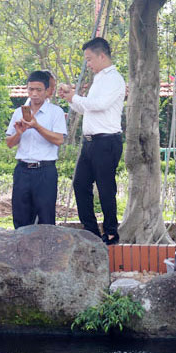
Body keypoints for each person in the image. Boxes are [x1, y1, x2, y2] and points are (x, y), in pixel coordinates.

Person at [59, 37, 125, 244]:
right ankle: (91, 231)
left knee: (106, 188)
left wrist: (75, 97)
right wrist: (71, 99)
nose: (88, 64)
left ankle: (111, 231)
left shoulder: (114, 79)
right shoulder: (98, 79)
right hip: (90, 142)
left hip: (106, 141)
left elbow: (100, 105)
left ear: (102, 55)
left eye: (89, 59)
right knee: (80, 184)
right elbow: (87, 107)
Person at [6, 70, 66, 227]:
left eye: (38, 90)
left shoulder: (55, 112)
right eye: (31, 89)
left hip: (45, 171)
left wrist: (36, 126)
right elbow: (9, 143)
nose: (34, 94)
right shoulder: (18, 112)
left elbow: (59, 140)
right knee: (20, 218)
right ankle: (21, 250)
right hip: (22, 169)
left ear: (47, 91)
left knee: (46, 218)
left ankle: (47, 251)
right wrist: (19, 133)